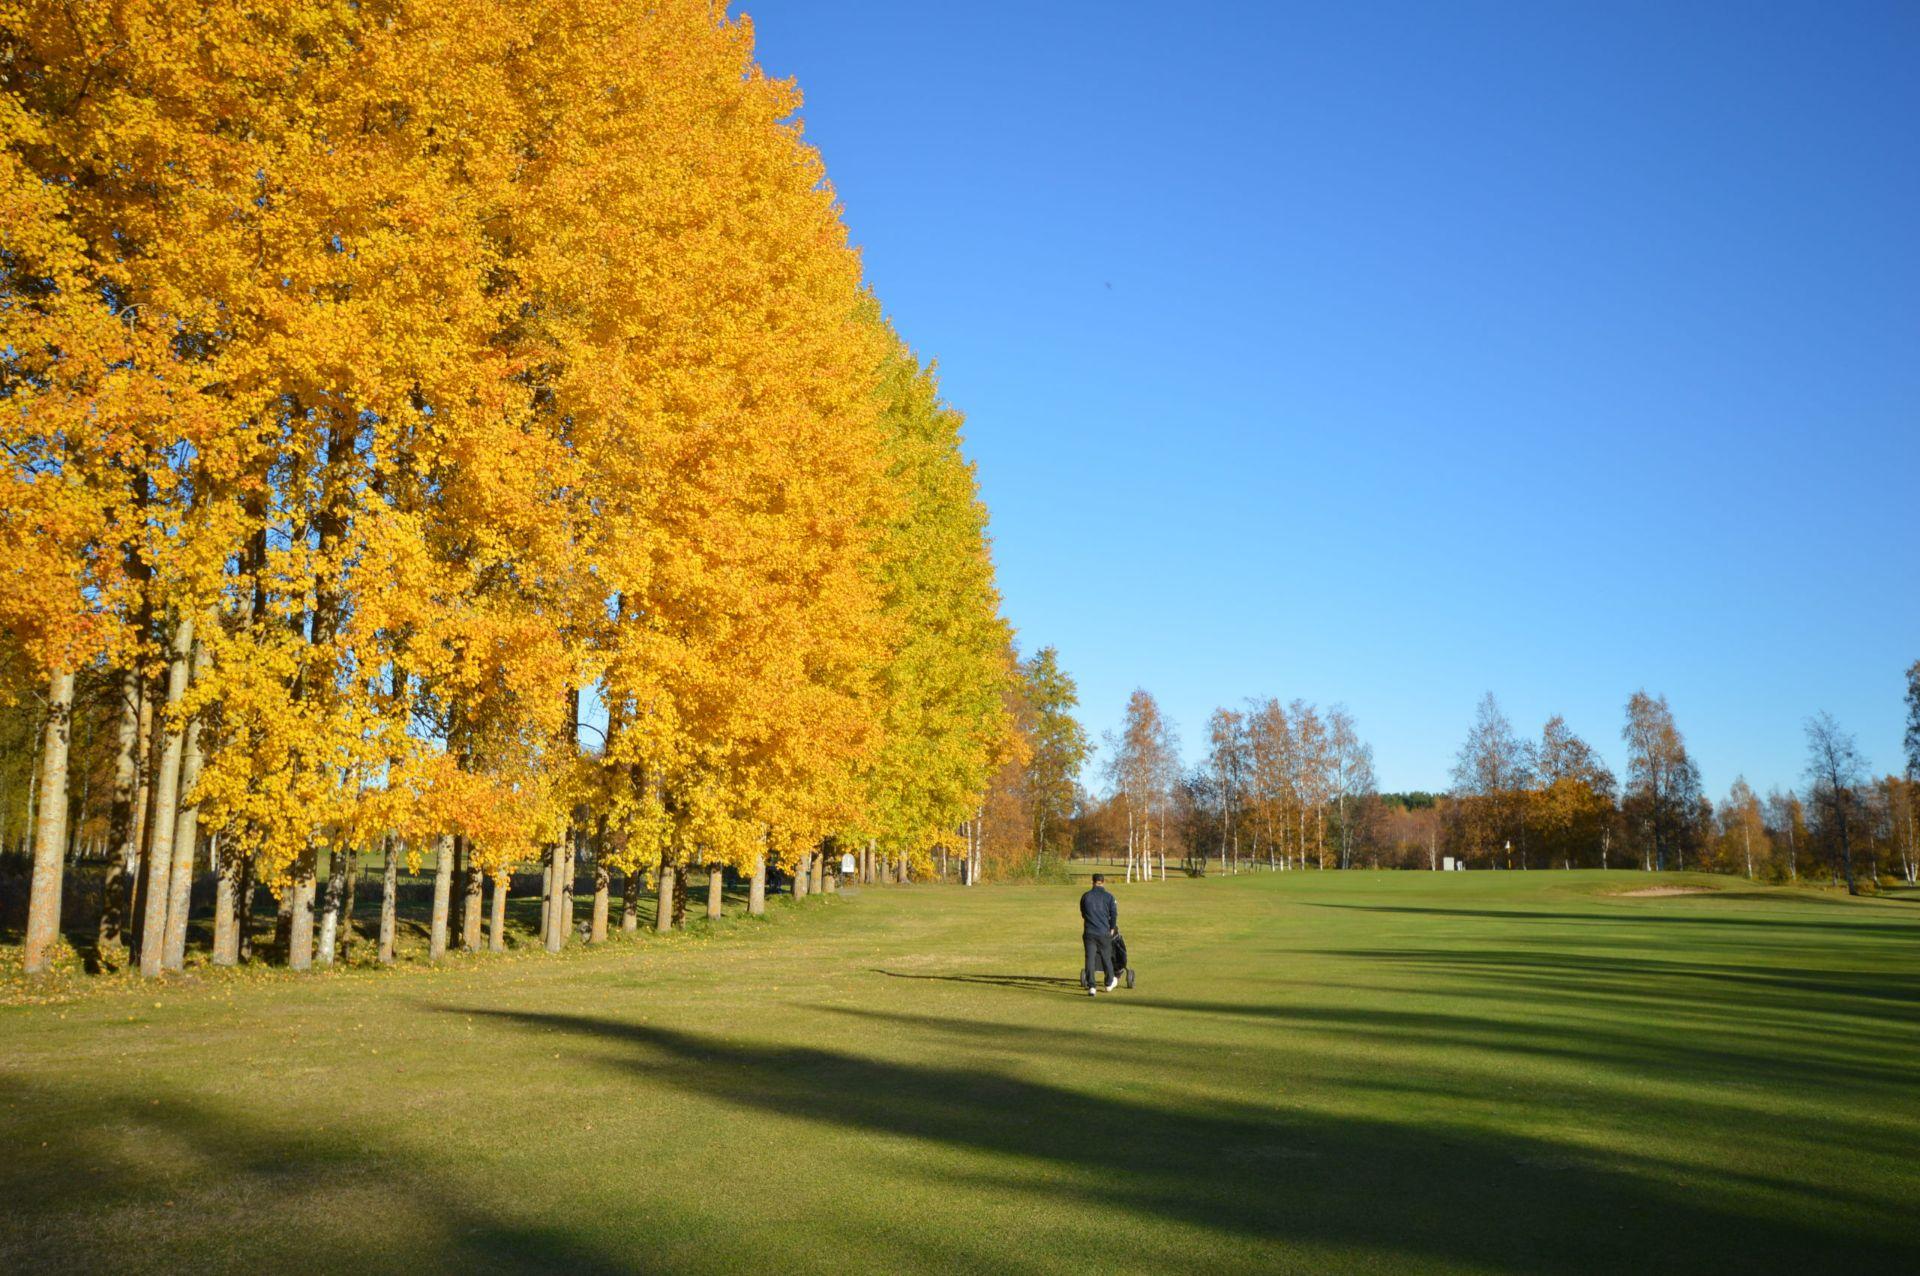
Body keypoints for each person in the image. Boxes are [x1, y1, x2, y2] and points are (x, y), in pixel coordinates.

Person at [1079, 873, 1120, 996]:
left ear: (1093, 881)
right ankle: (1108, 983)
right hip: (1103, 932)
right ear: (1103, 882)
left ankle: (1092, 986)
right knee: (1106, 957)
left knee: (1090, 958)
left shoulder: (1085, 896)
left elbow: (1083, 913)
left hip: (1089, 932)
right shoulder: (1109, 897)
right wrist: (1112, 927)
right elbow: (1114, 914)